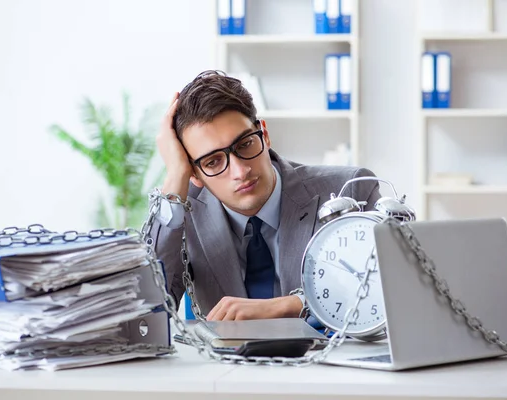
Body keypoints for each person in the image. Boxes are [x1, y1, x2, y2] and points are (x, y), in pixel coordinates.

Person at [150, 70, 381, 321]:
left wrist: (292, 304)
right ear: (194, 173)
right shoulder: (181, 213)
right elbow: (147, 309)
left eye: (245, 144)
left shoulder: (352, 189)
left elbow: (383, 291)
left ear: (265, 134)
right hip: (223, 361)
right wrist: (174, 177)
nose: (240, 171)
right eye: (213, 161)